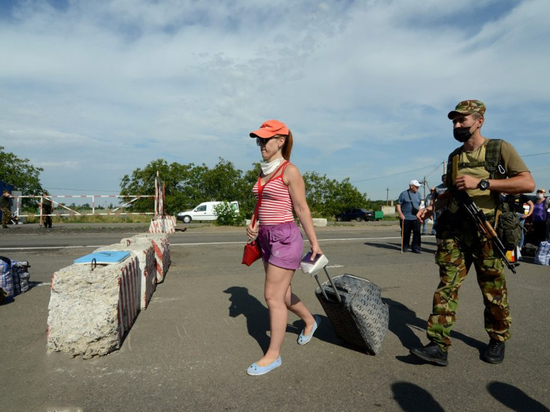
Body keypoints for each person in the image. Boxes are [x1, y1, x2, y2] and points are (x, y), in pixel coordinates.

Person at [410, 100, 535, 366]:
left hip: (486, 231)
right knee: (447, 286)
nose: (456, 126)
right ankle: (438, 344)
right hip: (456, 231)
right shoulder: (455, 156)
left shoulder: (499, 148)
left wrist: (484, 182)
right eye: (454, 121)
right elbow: (453, 192)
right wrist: (433, 207)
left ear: (479, 121)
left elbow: (527, 182)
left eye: (462, 120)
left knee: (492, 289)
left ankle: (498, 338)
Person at [245, 119, 323, 376]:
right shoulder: (264, 171)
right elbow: (263, 203)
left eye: (265, 139)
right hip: (266, 236)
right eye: (259, 140)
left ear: (280, 141)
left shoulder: (290, 171)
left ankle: (273, 355)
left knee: (272, 297)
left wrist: (315, 243)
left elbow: (301, 208)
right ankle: (310, 321)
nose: (260, 144)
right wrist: (255, 224)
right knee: (284, 294)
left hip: (285, 238)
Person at [396, 180, 422, 253]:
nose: (417, 188)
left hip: (416, 217)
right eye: (416, 187)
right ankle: (405, 246)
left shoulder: (418, 194)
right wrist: (401, 214)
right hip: (406, 217)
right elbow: (398, 204)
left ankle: (416, 247)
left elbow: (419, 205)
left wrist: (420, 213)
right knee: (406, 233)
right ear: (411, 186)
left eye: (418, 187)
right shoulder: (403, 194)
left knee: (417, 233)